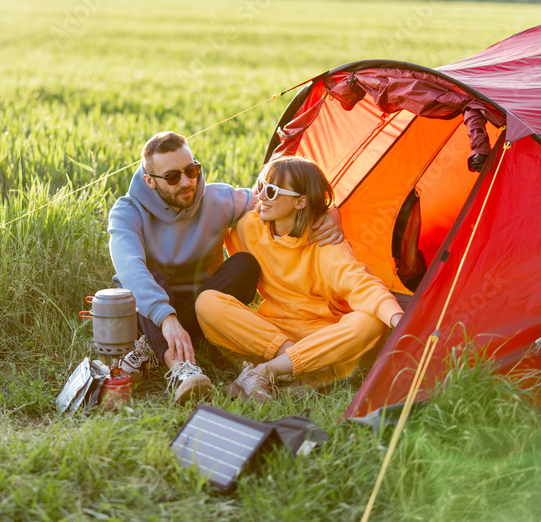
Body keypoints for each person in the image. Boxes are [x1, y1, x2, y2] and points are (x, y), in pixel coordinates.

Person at [107, 131, 344, 403]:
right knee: (148, 276)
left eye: (192, 170)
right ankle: (181, 369)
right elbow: (130, 269)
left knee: (245, 264)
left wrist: (329, 211)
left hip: (202, 299)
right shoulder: (127, 211)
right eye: (173, 177)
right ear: (150, 181)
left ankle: (151, 349)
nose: (187, 182)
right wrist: (166, 318)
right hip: (151, 306)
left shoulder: (220, 198)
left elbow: (275, 204)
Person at [195, 155, 404, 402]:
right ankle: (301, 369)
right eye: (260, 185)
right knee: (206, 302)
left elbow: (361, 283)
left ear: (300, 202)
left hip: (319, 333)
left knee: (370, 323)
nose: (260, 196)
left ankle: (266, 371)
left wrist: (402, 321)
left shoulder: (325, 242)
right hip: (271, 332)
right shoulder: (247, 228)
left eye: (271, 191)